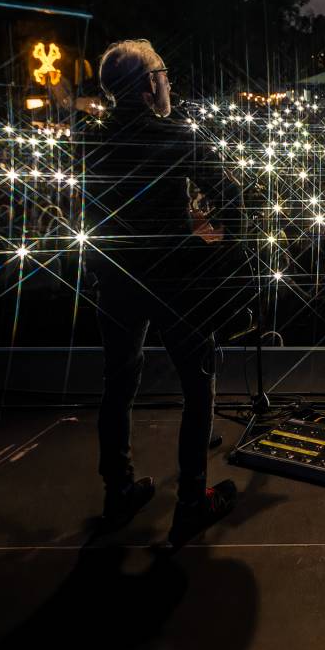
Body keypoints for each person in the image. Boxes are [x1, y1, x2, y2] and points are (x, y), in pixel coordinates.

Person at [83, 39, 240, 547]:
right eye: (164, 74)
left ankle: (119, 490)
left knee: (118, 384)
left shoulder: (90, 141)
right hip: (175, 281)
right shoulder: (176, 136)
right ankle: (191, 501)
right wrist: (222, 249)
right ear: (150, 84)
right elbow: (232, 197)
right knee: (198, 387)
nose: (168, 82)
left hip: (115, 280)